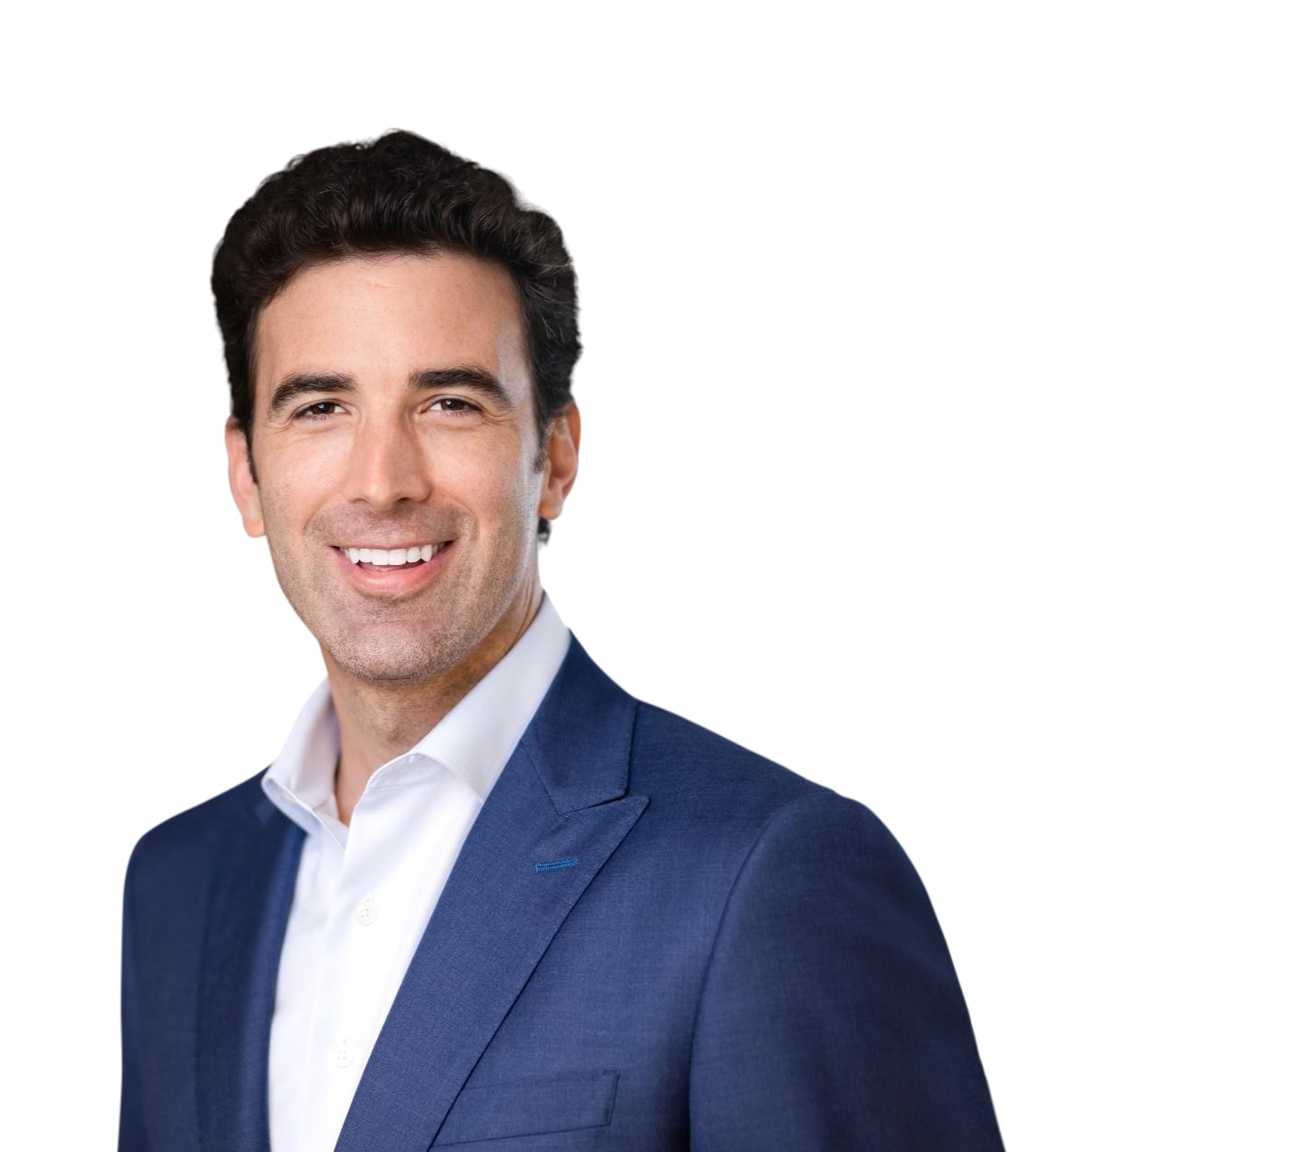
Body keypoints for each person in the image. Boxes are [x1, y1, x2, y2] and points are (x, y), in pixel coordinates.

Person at [118, 130, 1004, 1152]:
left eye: (449, 404)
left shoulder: (766, 876)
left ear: (557, 455)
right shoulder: (179, 887)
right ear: (247, 475)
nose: (382, 480)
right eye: (320, 408)